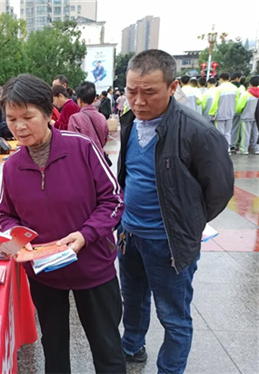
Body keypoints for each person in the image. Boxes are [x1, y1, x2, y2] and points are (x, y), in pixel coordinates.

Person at [0, 73, 126, 374]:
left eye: (27, 117)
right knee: (53, 348)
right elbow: (6, 214)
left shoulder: (81, 148)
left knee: (106, 348)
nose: (19, 126)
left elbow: (113, 201)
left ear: (47, 113)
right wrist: (17, 238)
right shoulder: (13, 166)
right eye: (12, 118)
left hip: (92, 266)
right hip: (44, 273)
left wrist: (85, 234)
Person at [117, 50, 234, 373]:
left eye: (149, 92)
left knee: (173, 314)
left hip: (167, 242)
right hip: (129, 234)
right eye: (131, 91)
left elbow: (219, 190)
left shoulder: (198, 132)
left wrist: (186, 222)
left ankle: (170, 369)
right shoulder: (130, 122)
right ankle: (132, 346)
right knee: (133, 298)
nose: (138, 101)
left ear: (173, 87)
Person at [68, 81, 108, 151]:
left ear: (79, 100)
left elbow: (73, 144)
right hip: (99, 158)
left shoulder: (75, 118)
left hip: (82, 159)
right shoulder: (102, 117)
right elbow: (104, 139)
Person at [209, 72, 240, 151]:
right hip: (230, 113)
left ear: (221, 79)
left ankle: (220, 149)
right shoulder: (235, 88)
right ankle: (227, 149)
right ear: (229, 78)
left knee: (220, 132)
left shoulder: (219, 89)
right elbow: (237, 101)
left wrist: (212, 113)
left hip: (220, 113)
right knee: (228, 132)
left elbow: (215, 102)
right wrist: (234, 110)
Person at [235, 75, 259, 155]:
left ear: (250, 83)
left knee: (246, 134)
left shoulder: (246, 94)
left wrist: (240, 112)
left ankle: (244, 150)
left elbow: (239, 107)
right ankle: (256, 149)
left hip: (246, 116)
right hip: (257, 117)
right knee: (256, 133)